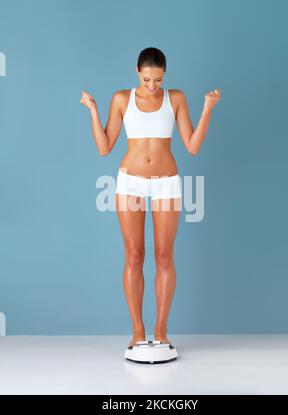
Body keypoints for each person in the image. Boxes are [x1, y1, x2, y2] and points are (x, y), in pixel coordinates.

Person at [80, 47, 221, 347]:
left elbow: (193, 146)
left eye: (158, 80)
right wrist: (93, 111)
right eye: (146, 80)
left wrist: (208, 108)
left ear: (165, 75)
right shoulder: (122, 99)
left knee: (164, 256)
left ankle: (161, 331)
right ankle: (137, 332)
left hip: (166, 184)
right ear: (137, 72)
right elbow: (104, 147)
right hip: (130, 183)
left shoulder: (176, 98)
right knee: (133, 255)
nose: (152, 86)